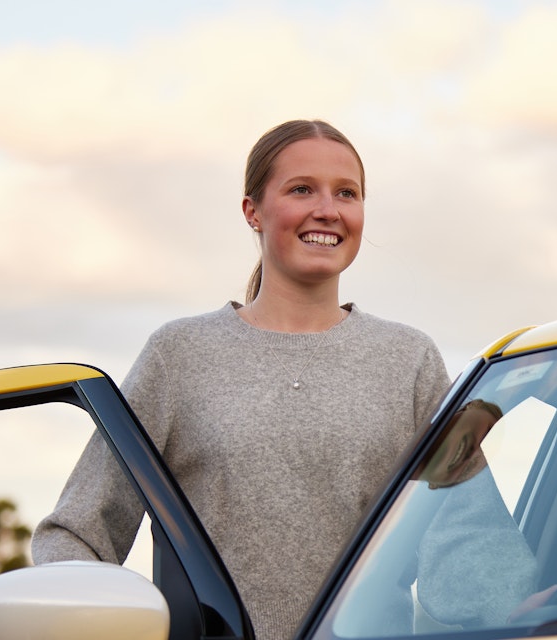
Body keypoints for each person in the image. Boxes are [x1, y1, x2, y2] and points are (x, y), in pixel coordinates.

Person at [32, 119, 452, 640]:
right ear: (252, 210)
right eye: (302, 189)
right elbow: (75, 536)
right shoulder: (179, 355)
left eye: (347, 193)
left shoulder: (410, 361)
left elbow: (468, 541)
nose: (328, 209)